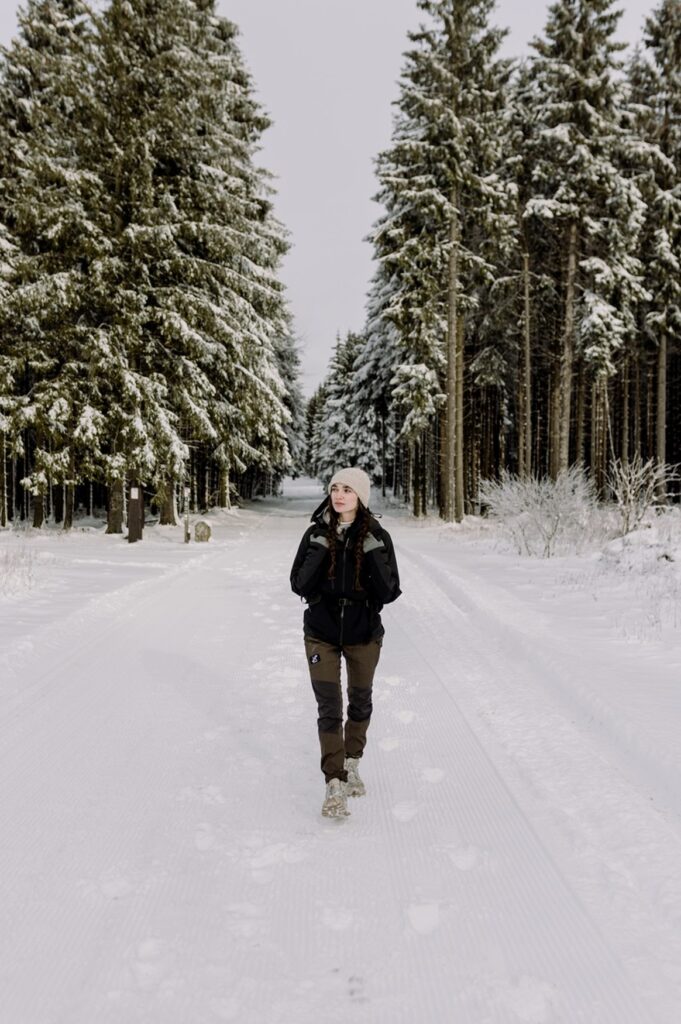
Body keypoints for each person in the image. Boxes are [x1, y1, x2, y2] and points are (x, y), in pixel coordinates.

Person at [290, 467, 401, 818]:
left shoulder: (378, 536)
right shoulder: (315, 534)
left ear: (361, 497)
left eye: (348, 490)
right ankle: (333, 781)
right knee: (328, 707)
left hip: (363, 633)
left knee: (360, 700)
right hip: (320, 632)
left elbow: (389, 591)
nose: (339, 495)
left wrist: (369, 551)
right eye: (335, 488)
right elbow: (299, 584)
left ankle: (352, 761)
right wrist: (322, 548)